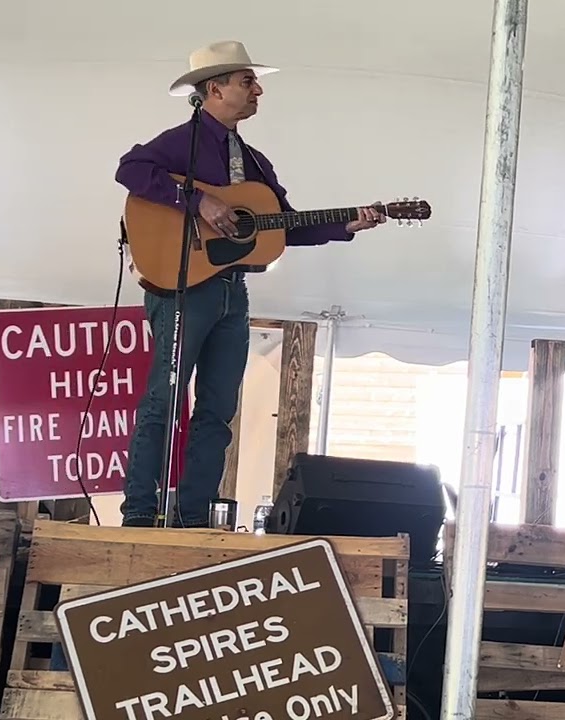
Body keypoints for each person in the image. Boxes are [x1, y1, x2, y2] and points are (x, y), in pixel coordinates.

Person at [114, 41, 386, 528]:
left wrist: (346, 224)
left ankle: (193, 517)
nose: (258, 90)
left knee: (218, 409)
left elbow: (281, 227)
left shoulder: (256, 163)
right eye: (247, 81)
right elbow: (129, 170)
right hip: (182, 286)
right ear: (214, 90)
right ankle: (138, 512)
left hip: (231, 292)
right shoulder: (181, 142)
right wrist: (198, 201)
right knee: (164, 400)